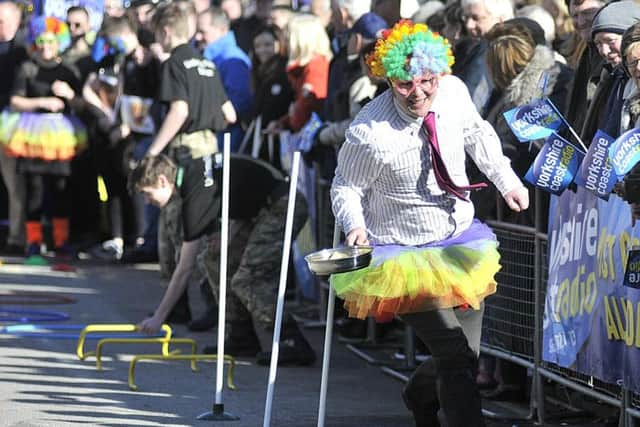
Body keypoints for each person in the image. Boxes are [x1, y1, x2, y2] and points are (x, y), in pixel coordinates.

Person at [330, 20, 529, 426]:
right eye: (405, 84)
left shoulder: (454, 92)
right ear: (387, 78)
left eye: (427, 80)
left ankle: (419, 394)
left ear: (440, 72)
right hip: (403, 255)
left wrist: (507, 180)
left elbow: (478, 134)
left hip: (460, 242)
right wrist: (354, 225)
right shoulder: (371, 131)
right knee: (454, 353)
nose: (418, 91)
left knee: (463, 355)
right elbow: (345, 186)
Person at [146, 1, 236, 322]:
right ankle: (210, 306)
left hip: (185, 156)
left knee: (177, 233)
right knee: (206, 232)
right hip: (211, 151)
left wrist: (154, 151)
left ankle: (178, 306)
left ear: (166, 31)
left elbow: (179, 110)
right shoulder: (206, 63)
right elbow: (230, 114)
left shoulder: (174, 63)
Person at [0, 16, 86, 261]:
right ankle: (34, 243)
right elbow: (15, 101)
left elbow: (81, 105)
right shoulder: (27, 68)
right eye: (41, 40)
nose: (46, 46)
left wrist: (68, 95)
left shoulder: (68, 70)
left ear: (58, 42)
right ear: (35, 42)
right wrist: (43, 102)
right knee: (34, 190)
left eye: (51, 40)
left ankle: (61, 242)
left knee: (61, 189)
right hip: (32, 135)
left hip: (61, 137)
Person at [196, 6, 253, 152]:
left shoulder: (233, 61)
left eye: (203, 32)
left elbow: (238, 105)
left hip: (227, 141)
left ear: (222, 30)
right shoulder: (209, 57)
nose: (198, 37)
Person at [0, 1, 28, 255]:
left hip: (13, 126)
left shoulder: (23, 50)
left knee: (14, 182)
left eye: (2, 20)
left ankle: (17, 237)